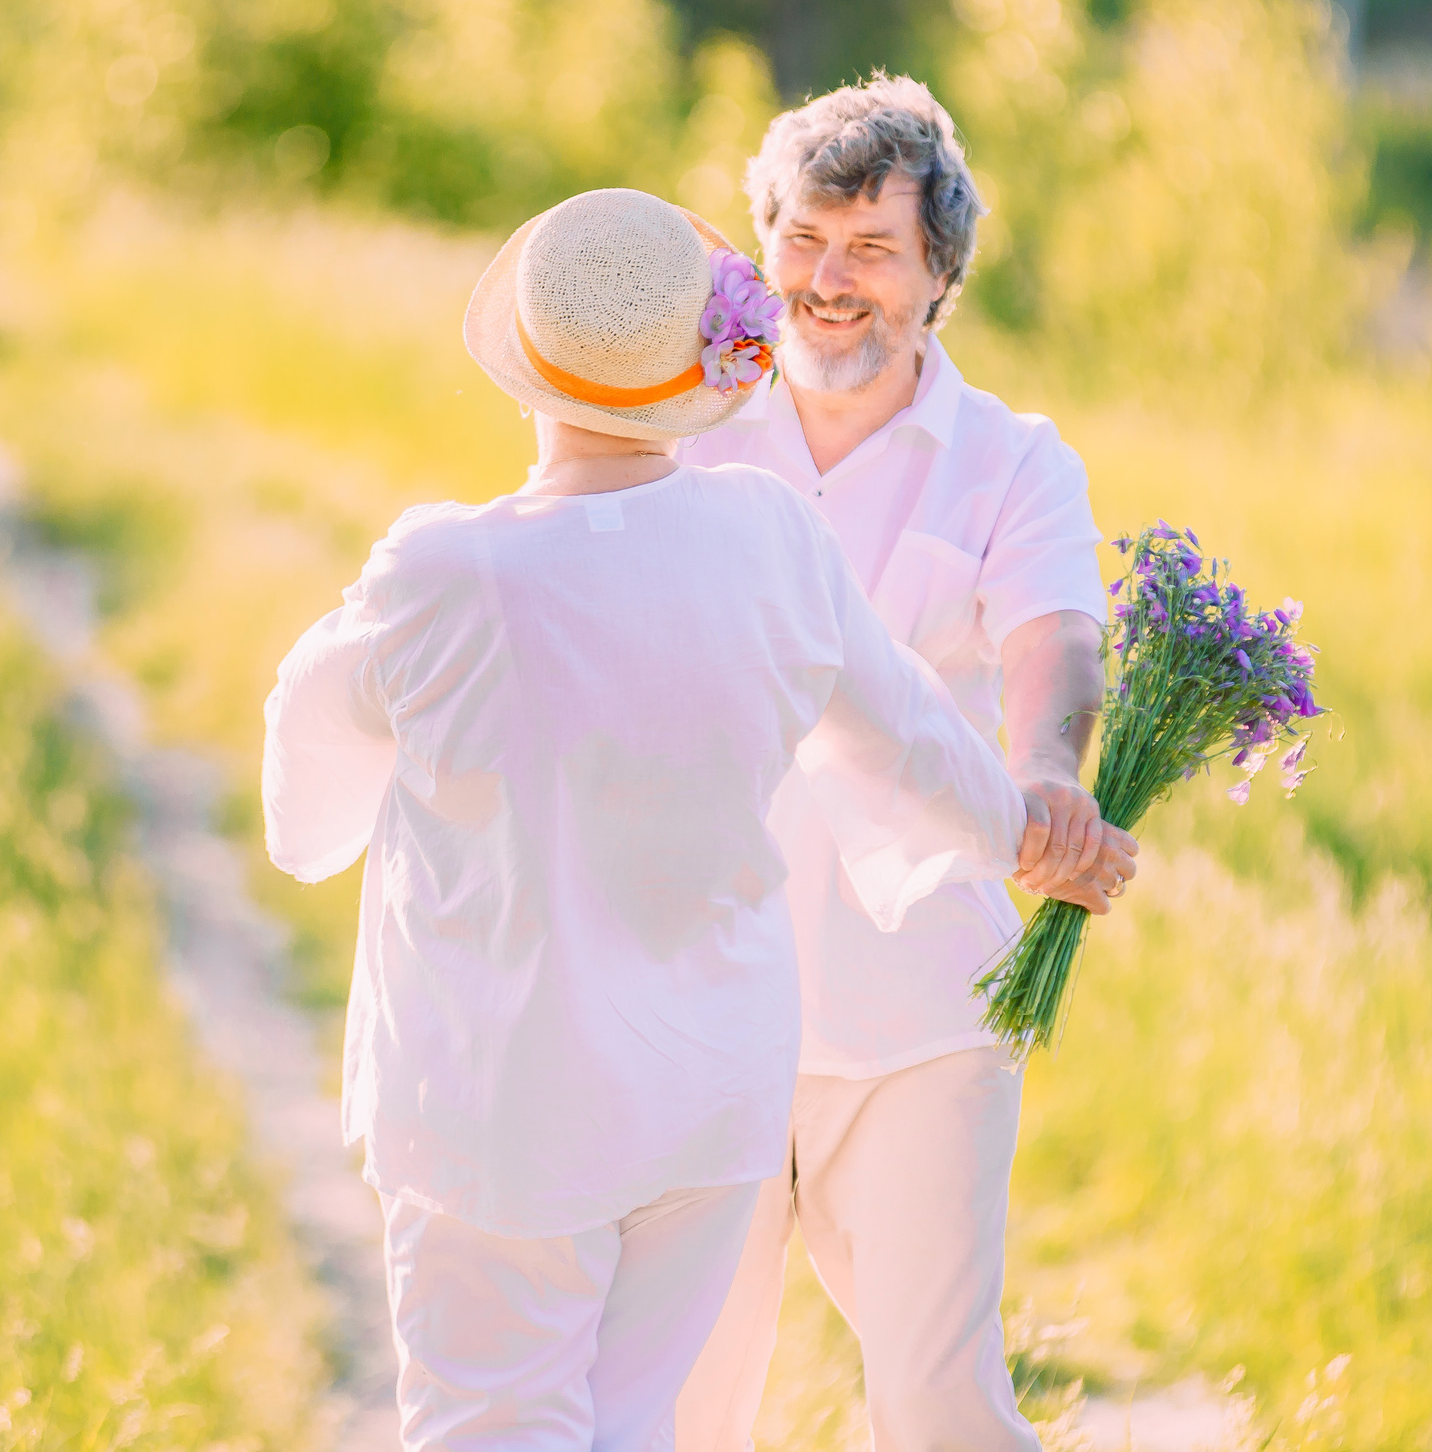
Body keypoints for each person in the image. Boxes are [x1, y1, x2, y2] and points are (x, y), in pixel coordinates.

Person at [262, 186, 1128, 1452]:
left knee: (488, 1422)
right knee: (638, 1428)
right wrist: (1032, 834)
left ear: (525, 372)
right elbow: (911, 739)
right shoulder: (767, 539)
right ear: (704, 366)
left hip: (499, 1099)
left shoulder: (445, 573)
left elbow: (304, 791)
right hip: (704, 1098)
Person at [676, 76, 1132, 1452]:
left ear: (939, 275)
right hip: (701, 992)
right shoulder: (686, 424)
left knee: (940, 1402)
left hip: (920, 1008)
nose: (828, 281)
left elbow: (1056, 638)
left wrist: (1047, 776)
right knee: (686, 1405)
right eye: (806, 241)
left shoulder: (1010, 462)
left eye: (871, 250)